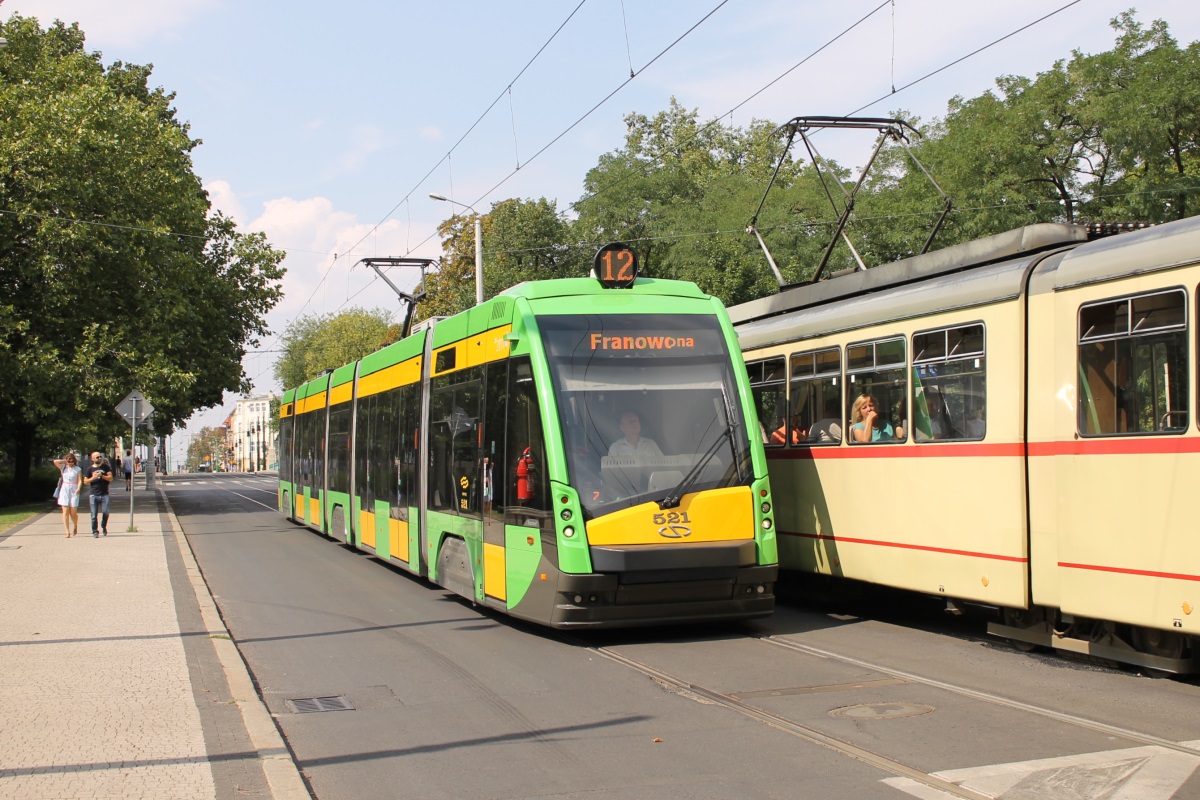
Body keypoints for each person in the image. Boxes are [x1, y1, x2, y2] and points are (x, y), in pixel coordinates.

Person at [83, 451, 114, 537]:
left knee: (106, 512)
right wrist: (93, 477)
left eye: (100, 457)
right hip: (94, 494)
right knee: (94, 514)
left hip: (104, 494)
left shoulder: (105, 467)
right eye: (97, 457)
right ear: (93, 459)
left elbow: (110, 478)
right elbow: (85, 481)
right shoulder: (90, 469)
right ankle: (95, 531)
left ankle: (103, 526)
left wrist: (102, 476)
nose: (99, 458)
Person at [52, 453, 83, 537]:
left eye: (72, 461)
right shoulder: (63, 468)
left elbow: (80, 480)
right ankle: (67, 531)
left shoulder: (77, 469)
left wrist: (78, 488)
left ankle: (75, 525)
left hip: (74, 489)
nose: (70, 463)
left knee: (73, 511)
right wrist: (65, 461)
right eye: (69, 461)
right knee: (65, 511)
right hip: (65, 488)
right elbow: (55, 461)